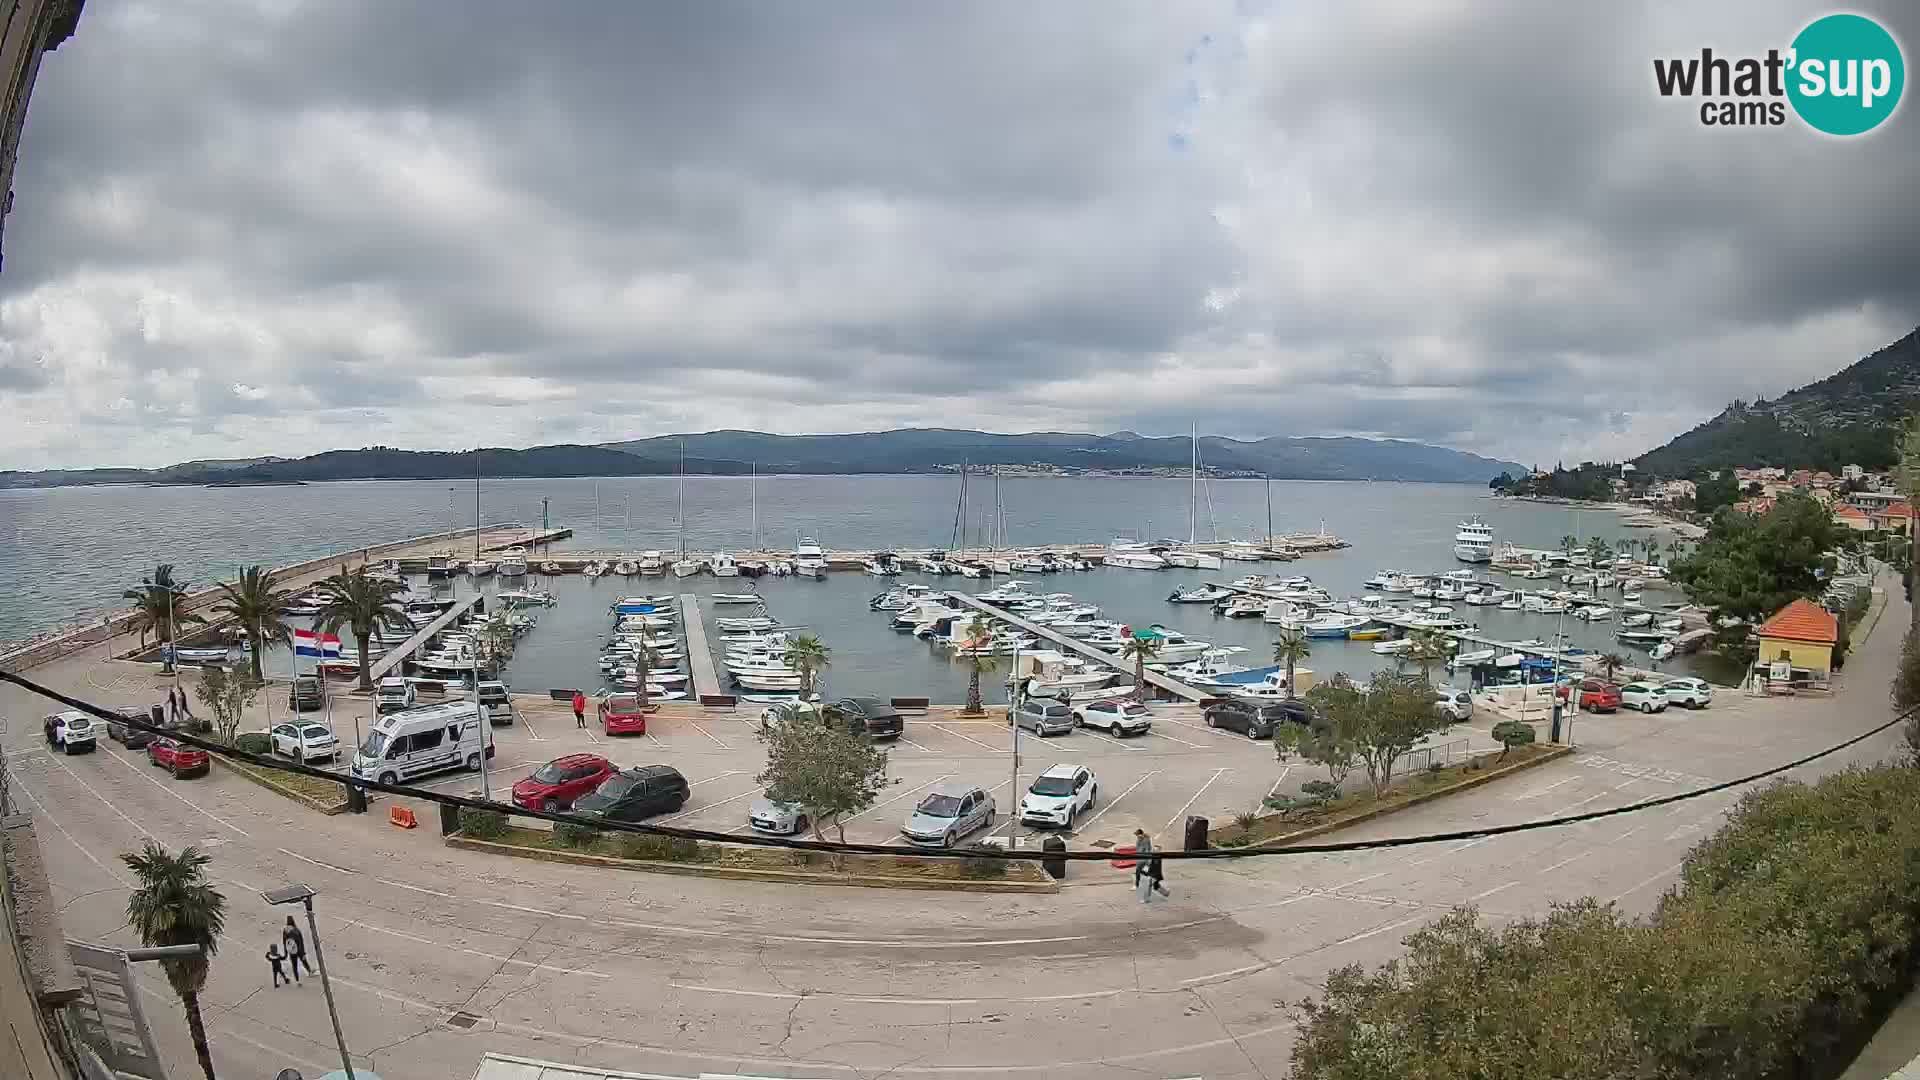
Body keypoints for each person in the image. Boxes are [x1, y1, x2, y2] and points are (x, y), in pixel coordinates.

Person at [282, 916, 310, 980]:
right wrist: (303, 953)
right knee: (304, 961)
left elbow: (284, 942)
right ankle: (309, 971)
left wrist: (286, 953)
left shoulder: (285, 931)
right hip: (299, 950)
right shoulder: (296, 930)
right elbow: (301, 942)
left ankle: (297, 979)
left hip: (291, 951)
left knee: (294, 965)